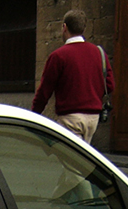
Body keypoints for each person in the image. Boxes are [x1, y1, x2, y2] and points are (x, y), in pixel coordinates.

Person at [31, 8, 114, 143]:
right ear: (83, 28)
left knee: (70, 159)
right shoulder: (99, 53)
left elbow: (45, 91)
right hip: (93, 118)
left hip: (70, 117)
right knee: (81, 156)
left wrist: (34, 113)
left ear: (64, 27)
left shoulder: (58, 56)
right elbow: (109, 85)